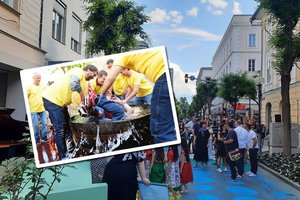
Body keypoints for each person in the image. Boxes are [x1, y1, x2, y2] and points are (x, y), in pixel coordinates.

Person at [100, 48, 176, 143]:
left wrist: (101, 96)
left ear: (126, 68)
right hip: (153, 86)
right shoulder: (127, 77)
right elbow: (130, 89)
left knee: (157, 123)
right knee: (142, 113)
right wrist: (123, 101)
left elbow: (114, 79)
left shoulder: (130, 69)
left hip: (150, 91)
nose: (120, 73)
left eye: (121, 71)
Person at [42, 65, 98, 160]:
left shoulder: (85, 83)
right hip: (52, 99)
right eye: (94, 74)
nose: (94, 77)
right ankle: (63, 157)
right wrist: (82, 98)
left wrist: (86, 108)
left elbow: (80, 100)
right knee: (60, 130)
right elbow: (74, 84)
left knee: (68, 127)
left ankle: (71, 151)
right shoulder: (78, 71)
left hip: (60, 103)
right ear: (88, 70)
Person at [27, 72, 52, 163]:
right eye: (37, 78)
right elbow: (26, 97)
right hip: (33, 109)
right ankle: (37, 140)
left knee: (45, 124)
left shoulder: (43, 86)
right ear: (33, 78)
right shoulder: (29, 87)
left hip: (42, 109)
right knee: (36, 125)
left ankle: (45, 139)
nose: (39, 79)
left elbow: (47, 93)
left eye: (40, 78)